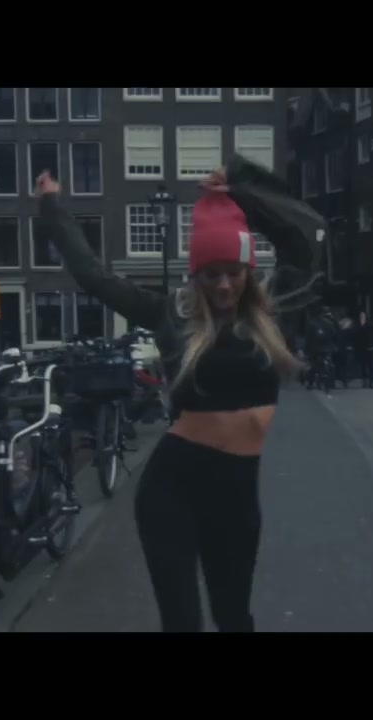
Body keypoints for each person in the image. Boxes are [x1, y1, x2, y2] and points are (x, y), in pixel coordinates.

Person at [34, 154, 324, 633]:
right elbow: (94, 276)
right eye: (211, 274)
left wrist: (242, 188)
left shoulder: (275, 315)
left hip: (237, 493)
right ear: (196, 276)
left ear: (248, 271)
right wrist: (51, 207)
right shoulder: (172, 315)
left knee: (235, 619)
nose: (224, 285)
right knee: (183, 623)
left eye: (233, 272)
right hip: (173, 490)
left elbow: (306, 237)